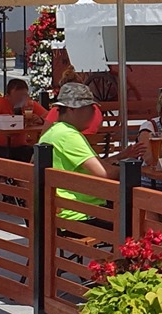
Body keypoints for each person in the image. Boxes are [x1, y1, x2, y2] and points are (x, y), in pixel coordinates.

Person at [38, 82, 109, 216]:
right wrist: (135, 171)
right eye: (90, 108)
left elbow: (89, 166)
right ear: (72, 109)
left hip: (60, 212)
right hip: (80, 214)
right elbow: (104, 173)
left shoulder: (53, 131)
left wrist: (120, 157)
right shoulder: (68, 135)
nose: (94, 113)